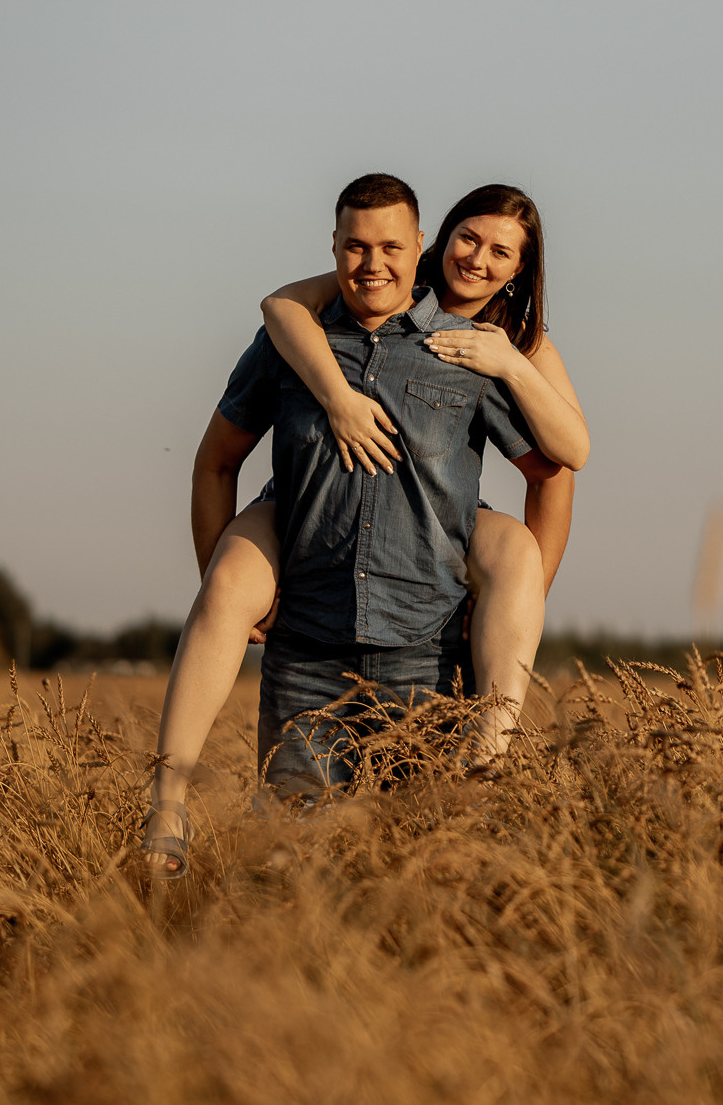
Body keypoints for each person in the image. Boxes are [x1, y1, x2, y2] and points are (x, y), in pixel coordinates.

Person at [141, 176, 585, 876]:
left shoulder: (489, 350)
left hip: (427, 647)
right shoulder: (298, 334)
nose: (479, 258)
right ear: (438, 246)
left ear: (415, 251)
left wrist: (513, 604)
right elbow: (222, 445)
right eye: (356, 246)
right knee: (289, 874)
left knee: (423, 871)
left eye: (502, 251)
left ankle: (491, 753)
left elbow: (561, 464)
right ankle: (166, 809)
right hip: (308, 645)